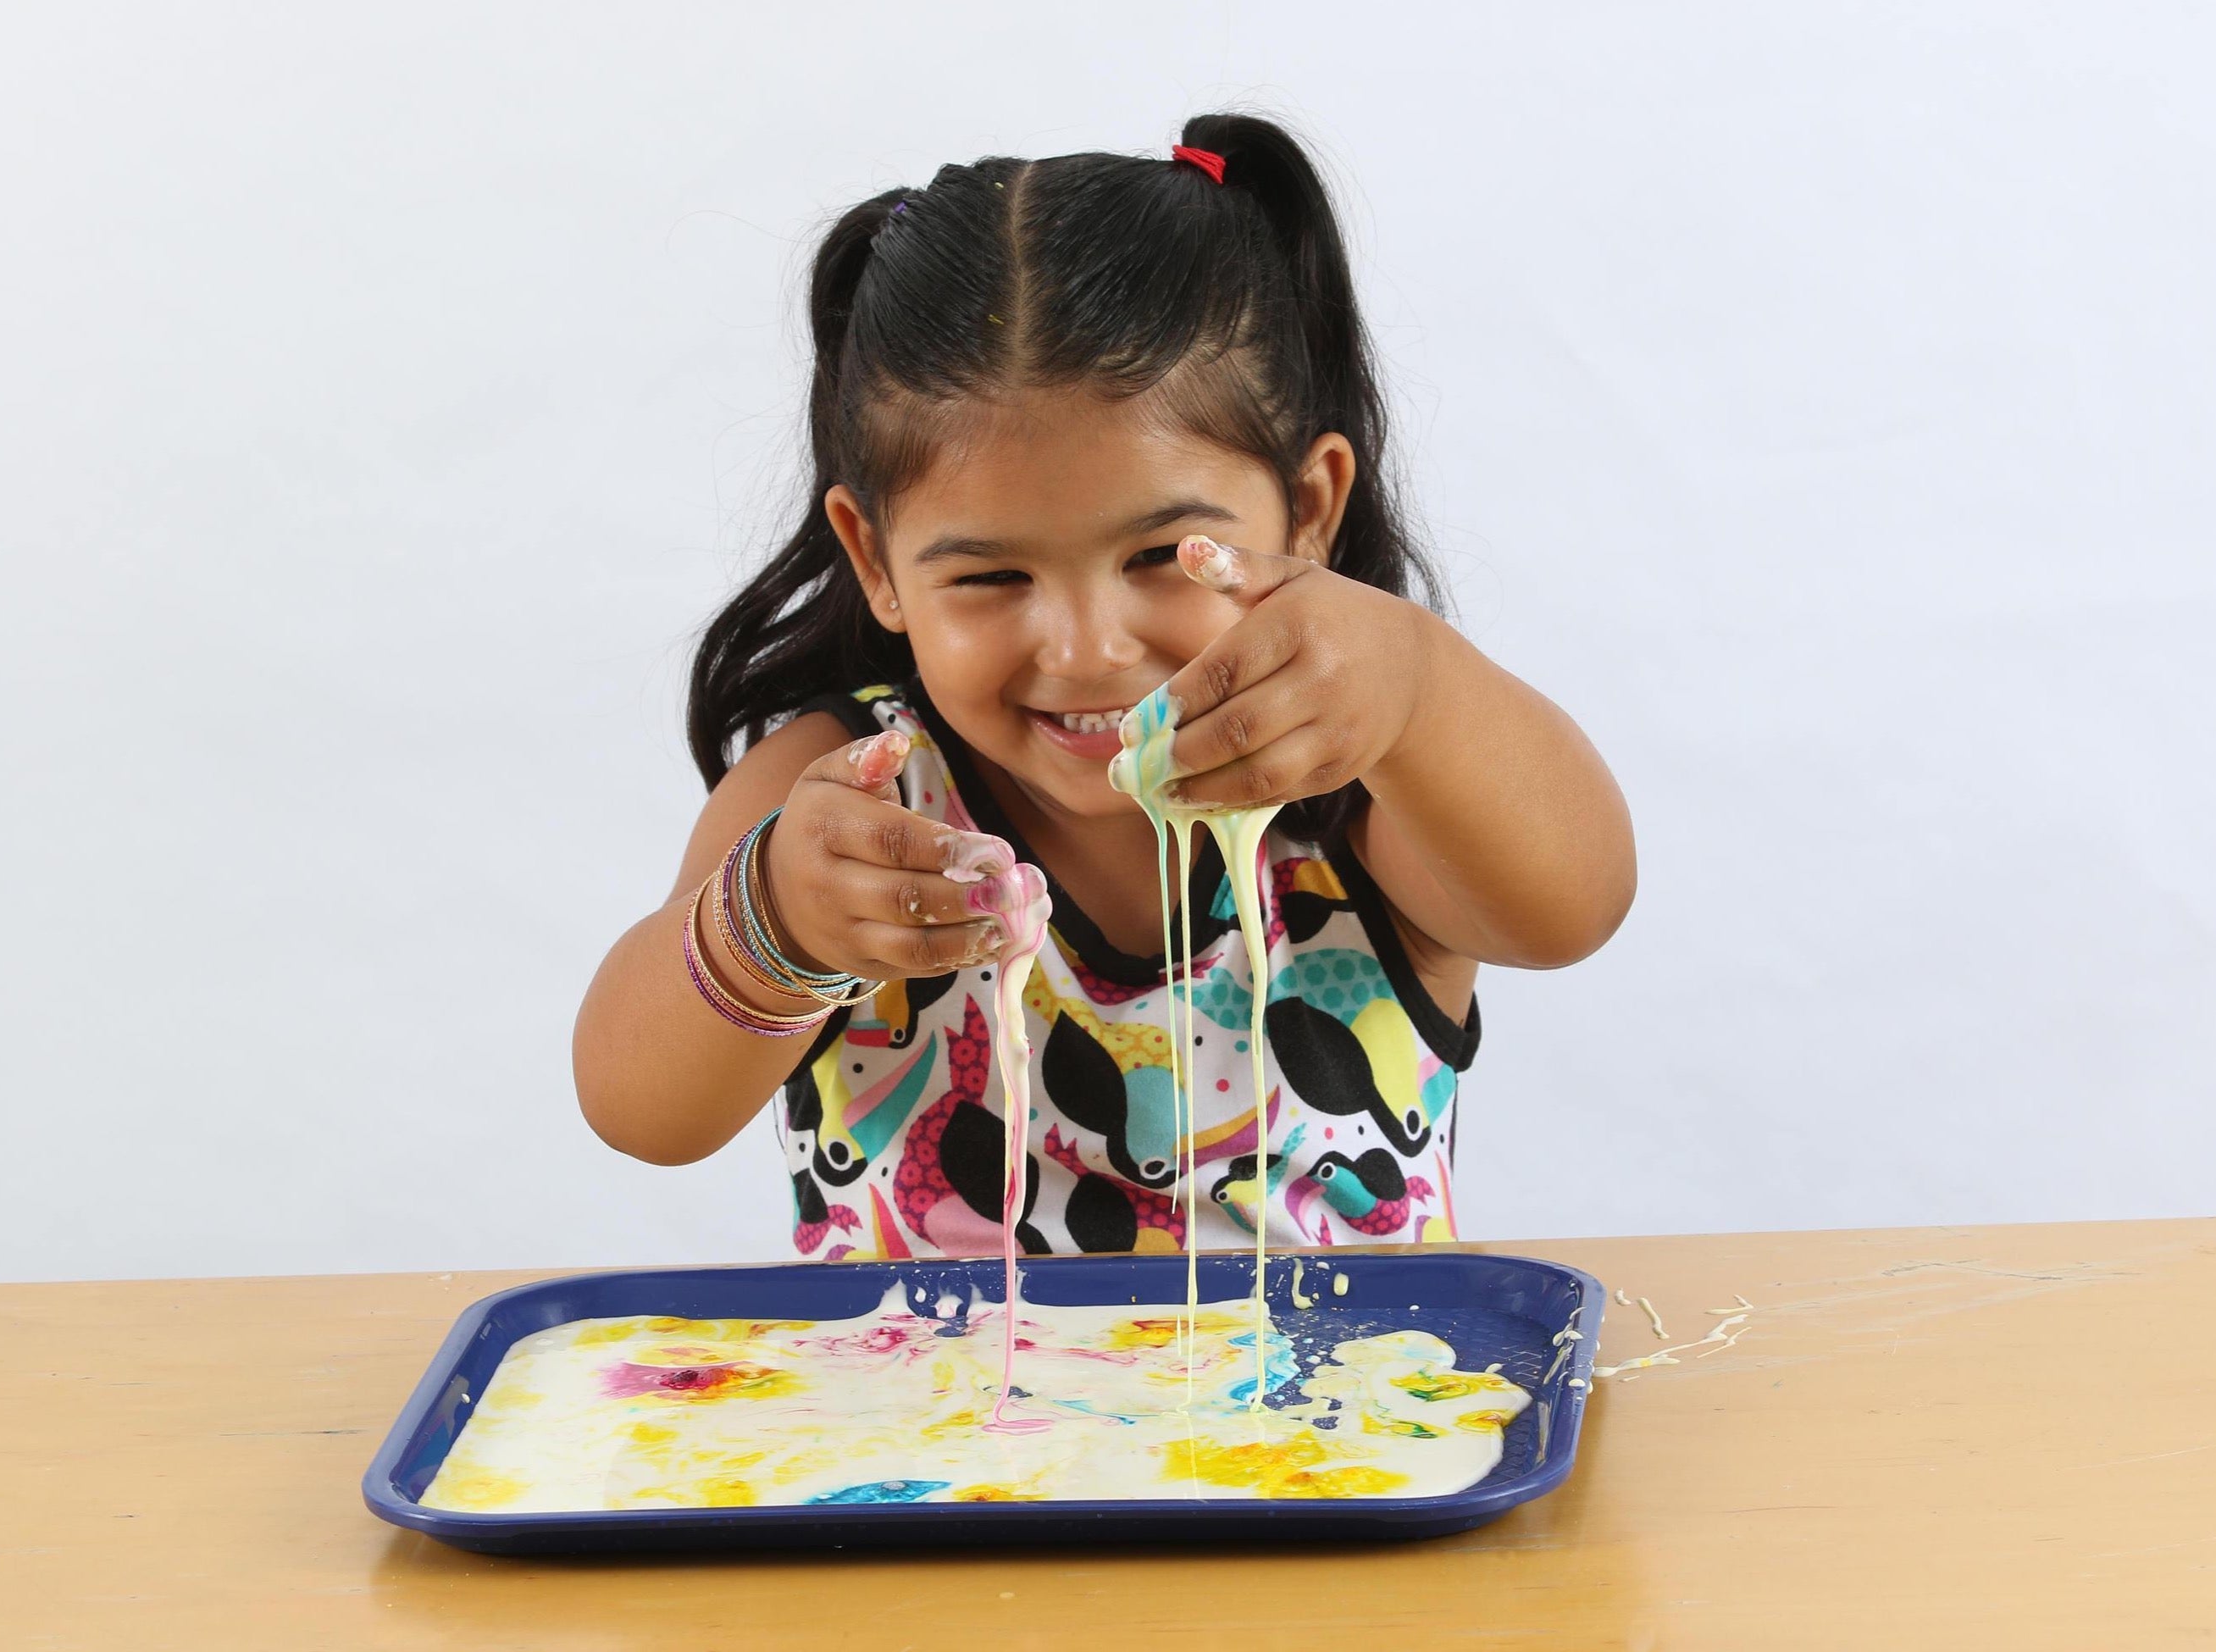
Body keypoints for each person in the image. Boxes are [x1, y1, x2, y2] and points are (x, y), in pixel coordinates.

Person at [573, 114, 1636, 1260]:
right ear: (875, 560)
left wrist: (1418, 688)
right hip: (933, 1434)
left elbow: (1571, 907)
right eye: (989, 575)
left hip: (1346, 1432)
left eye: (1157, 558)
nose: (1082, 650)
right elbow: (644, 1113)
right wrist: (776, 924)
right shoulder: (855, 803)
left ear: (1311, 511)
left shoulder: (1369, 793)